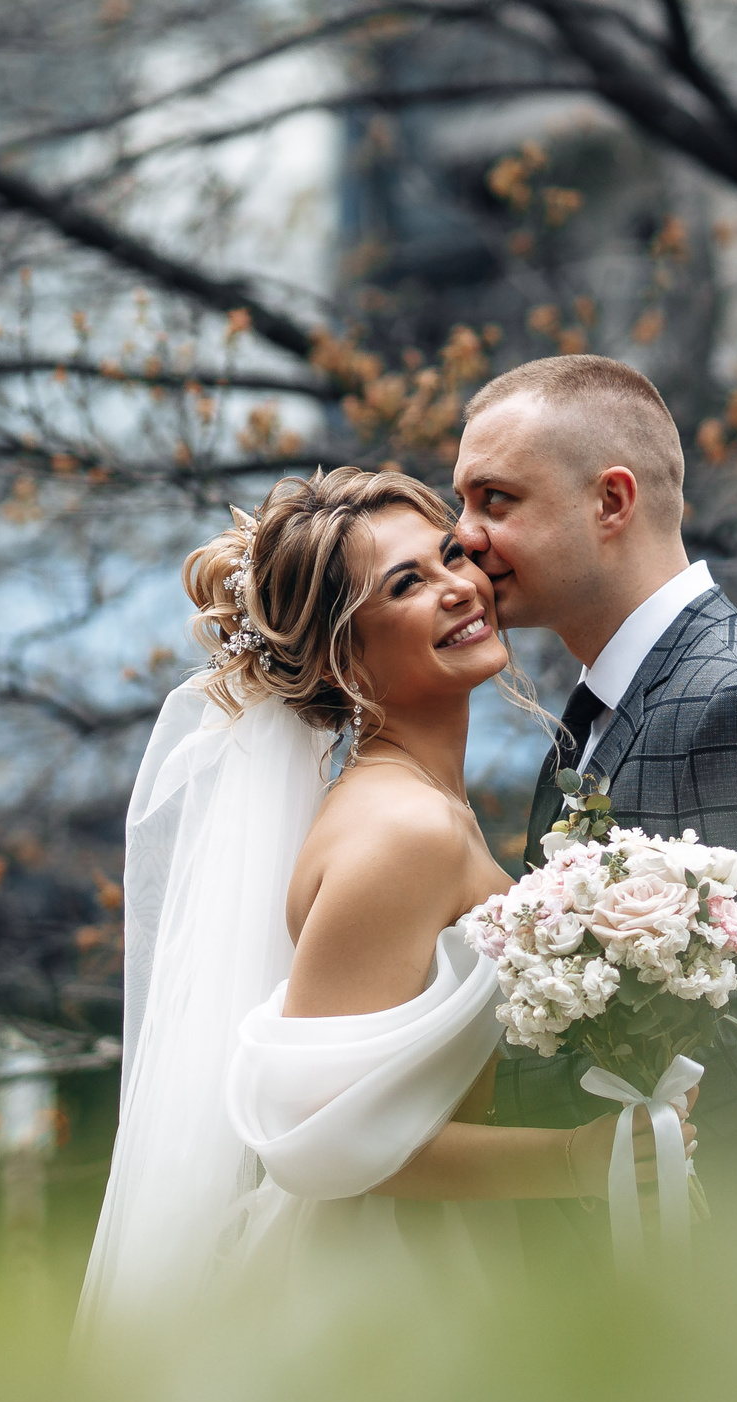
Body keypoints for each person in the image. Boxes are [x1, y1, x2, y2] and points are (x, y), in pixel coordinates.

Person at [74, 468, 692, 1344]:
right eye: (406, 585)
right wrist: (578, 1158)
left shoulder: (424, 804)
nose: (457, 587)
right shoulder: (400, 831)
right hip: (372, 1294)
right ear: (344, 656)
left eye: (448, 555)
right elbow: (321, 1138)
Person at [452, 354, 737, 1260]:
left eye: (496, 501)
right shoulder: (596, 720)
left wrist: (523, 1123)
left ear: (611, 502)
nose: (463, 538)